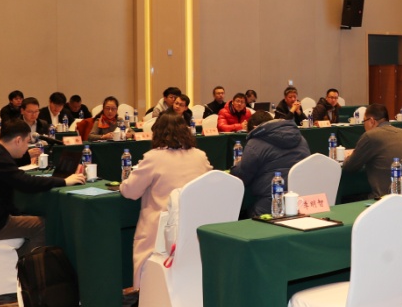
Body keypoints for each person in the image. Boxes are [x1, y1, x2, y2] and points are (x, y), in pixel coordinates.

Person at [0, 120, 85, 257]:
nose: (27, 147)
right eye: (27, 142)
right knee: (43, 226)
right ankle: (24, 266)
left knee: (27, 217)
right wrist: (64, 181)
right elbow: (26, 182)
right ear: (18, 140)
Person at [118, 112, 213, 289]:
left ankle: (146, 293)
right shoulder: (200, 156)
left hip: (160, 232)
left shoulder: (153, 157)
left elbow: (130, 192)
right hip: (194, 228)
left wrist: (124, 182)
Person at [230, 111, 310, 217]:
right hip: (301, 201)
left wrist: (235, 168)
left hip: (271, 204)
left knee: (242, 213)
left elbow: (243, 176)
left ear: (255, 128)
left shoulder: (255, 143)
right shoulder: (301, 139)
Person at [342, 104, 402, 198]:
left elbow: (349, 166)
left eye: (364, 121)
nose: (363, 125)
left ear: (371, 121)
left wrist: (348, 157)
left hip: (382, 197)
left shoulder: (370, 136)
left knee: (346, 198)